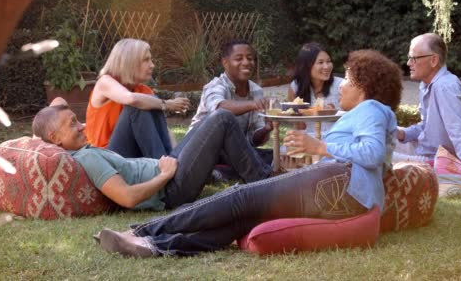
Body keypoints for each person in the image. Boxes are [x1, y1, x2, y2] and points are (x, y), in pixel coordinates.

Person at [95, 49, 403, 258]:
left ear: (364, 86)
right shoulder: (371, 112)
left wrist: (320, 147)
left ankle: (140, 231)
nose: (342, 87)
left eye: (348, 81)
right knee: (244, 220)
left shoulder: (371, 108)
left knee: (242, 198)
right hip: (344, 193)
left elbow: (373, 153)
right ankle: (157, 246)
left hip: (340, 183)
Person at [33, 98, 272, 211]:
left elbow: (58, 103)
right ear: (55, 138)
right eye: (73, 124)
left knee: (208, 123)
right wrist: (164, 176)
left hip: (167, 170)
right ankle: (265, 184)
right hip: (171, 188)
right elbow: (127, 198)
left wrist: (41, 135)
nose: (82, 126)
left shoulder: (71, 150)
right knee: (222, 119)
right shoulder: (87, 158)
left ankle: (263, 173)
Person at [84, 38, 190, 159]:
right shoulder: (105, 82)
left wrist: (176, 155)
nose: (152, 65)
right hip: (104, 158)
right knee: (137, 106)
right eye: (146, 60)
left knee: (149, 100)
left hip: (131, 156)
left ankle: (172, 162)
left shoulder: (144, 91)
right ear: (128, 62)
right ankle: (162, 168)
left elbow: (165, 130)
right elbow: (131, 99)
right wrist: (167, 104)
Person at [393, 33, 461, 173]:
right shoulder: (428, 84)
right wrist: (402, 134)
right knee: (378, 136)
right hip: (424, 151)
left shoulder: (444, 87)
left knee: (373, 155)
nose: (409, 63)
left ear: (434, 60)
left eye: (414, 58)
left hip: (437, 161)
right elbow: (427, 127)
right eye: (409, 58)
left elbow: (460, 132)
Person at [189, 39, 273, 167]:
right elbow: (220, 110)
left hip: (234, 153)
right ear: (225, 63)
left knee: (275, 155)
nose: (246, 63)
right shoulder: (214, 86)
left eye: (250, 58)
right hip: (202, 152)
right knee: (259, 161)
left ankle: (225, 170)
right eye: (239, 58)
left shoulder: (256, 91)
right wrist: (253, 104)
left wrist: (265, 129)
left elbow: (252, 141)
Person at [288, 42, 343, 133]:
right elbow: (299, 127)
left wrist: (333, 113)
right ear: (306, 66)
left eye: (328, 61)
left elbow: (353, 119)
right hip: (309, 141)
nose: (326, 66)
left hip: (337, 141)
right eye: (320, 62)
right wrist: (297, 113)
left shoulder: (341, 85)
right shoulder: (296, 87)